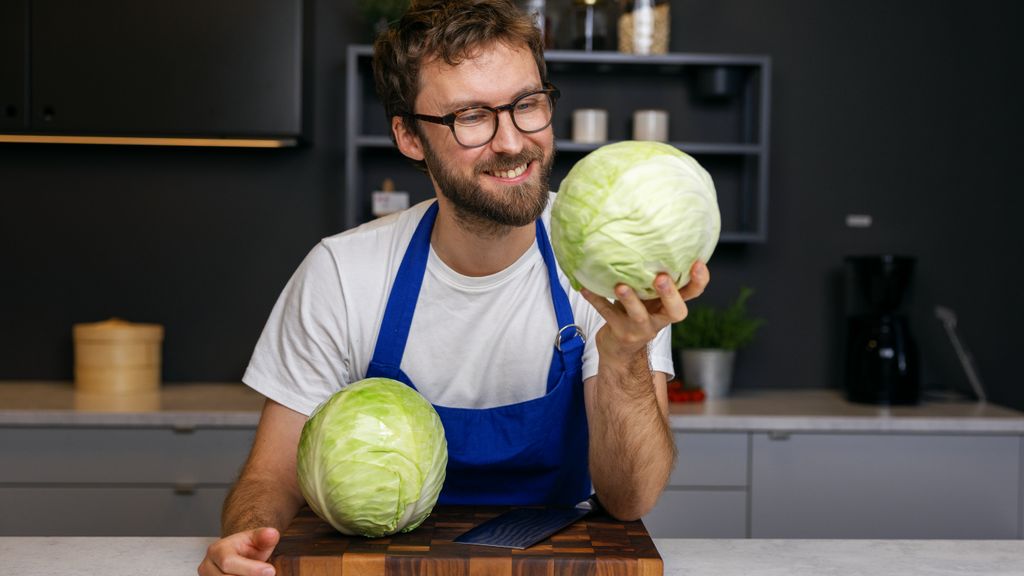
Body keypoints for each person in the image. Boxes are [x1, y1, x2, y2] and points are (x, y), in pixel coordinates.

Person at [198, 1, 709, 574]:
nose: (512, 142)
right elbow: (271, 477)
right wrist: (247, 539)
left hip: (554, 564)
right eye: (471, 116)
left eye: (527, 105)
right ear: (410, 136)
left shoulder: (600, 266)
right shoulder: (342, 274)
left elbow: (629, 499)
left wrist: (624, 354)